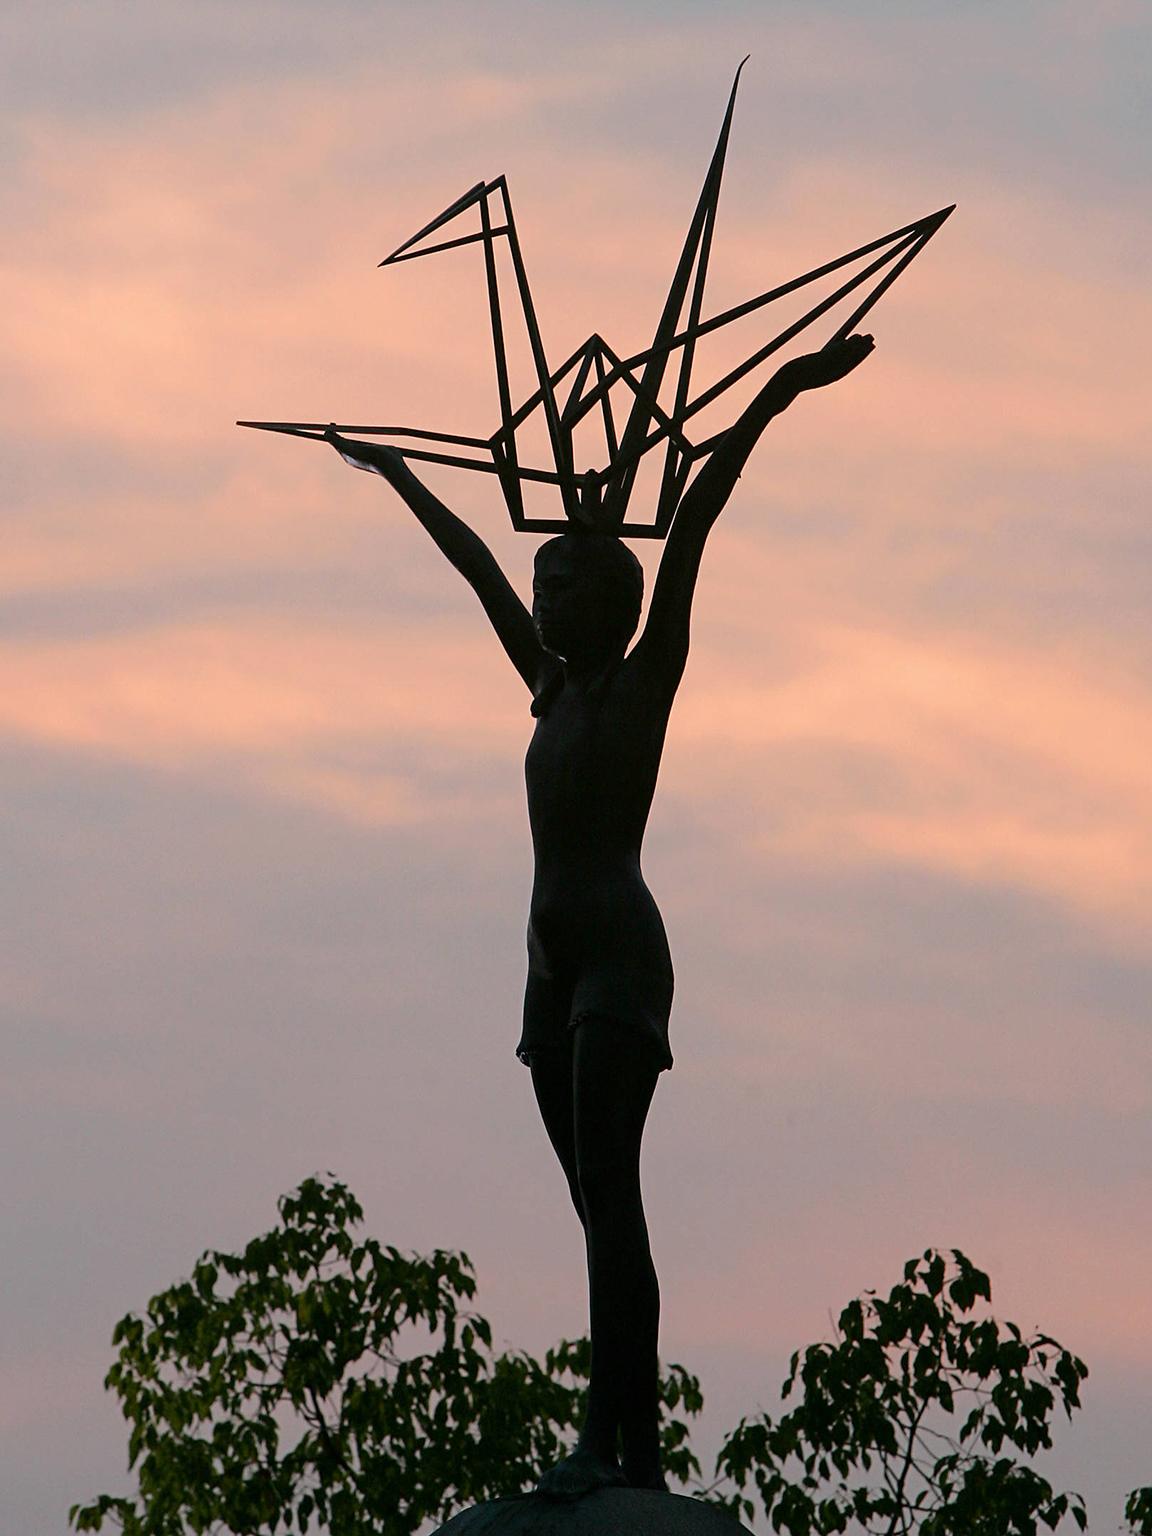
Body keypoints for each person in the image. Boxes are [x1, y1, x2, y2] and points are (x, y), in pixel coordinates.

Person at [324, 331, 874, 1499]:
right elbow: (475, 566)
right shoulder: (546, 687)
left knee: (612, 1197)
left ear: (615, 600)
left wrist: (781, 390)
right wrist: (398, 474)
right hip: (545, 968)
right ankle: (633, 1445)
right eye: (544, 584)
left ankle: (613, 1446)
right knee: (594, 1213)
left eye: (566, 582)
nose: (544, 592)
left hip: (620, 958)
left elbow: (701, 515)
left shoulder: (643, 680)